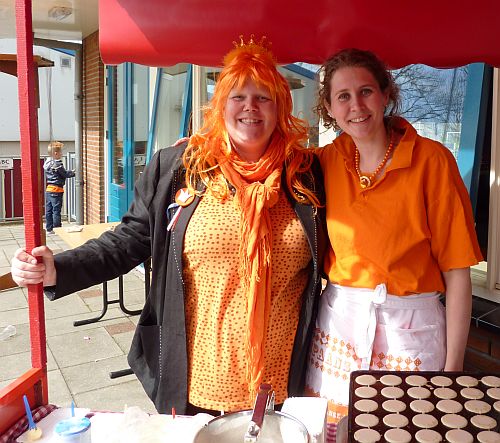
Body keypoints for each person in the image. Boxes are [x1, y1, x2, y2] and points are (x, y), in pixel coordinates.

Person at [11, 38, 326, 415]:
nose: (250, 108)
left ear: (281, 108)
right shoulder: (180, 168)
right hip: (196, 380)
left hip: (282, 380)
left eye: (263, 98)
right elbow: (129, 240)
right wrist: (57, 268)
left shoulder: (306, 174)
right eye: (238, 96)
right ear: (220, 105)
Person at [304, 48, 483, 427]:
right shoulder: (323, 161)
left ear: (386, 94)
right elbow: (264, 160)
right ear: (330, 108)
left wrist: (454, 366)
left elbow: (457, 273)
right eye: (343, 96)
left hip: (412, 328)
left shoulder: (432, 161)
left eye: (366, 91)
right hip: (340, 325)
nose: (357, 105)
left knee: (403, 428)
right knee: (336, 430)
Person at [43, 141, 75, 235]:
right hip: (57, 189)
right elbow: (64, 174)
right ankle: (58, 229)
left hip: (49, 189)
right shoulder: (57, 164)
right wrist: (74, 173)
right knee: (56, 210)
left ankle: (49, 229)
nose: (62, 154)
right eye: (61, 152)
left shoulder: (47, 163)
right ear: (56, 153)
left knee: (49, 210)